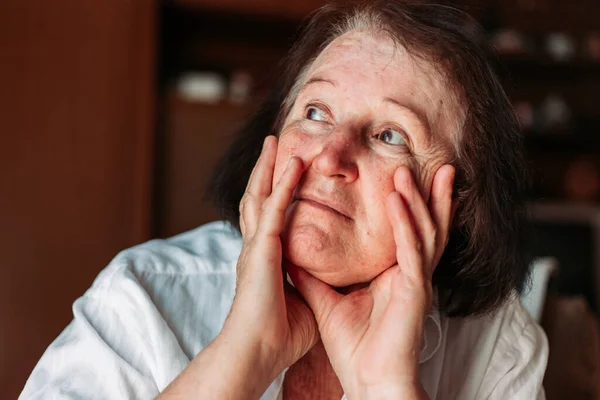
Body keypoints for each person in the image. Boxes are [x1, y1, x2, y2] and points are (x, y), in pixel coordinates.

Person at [20, 1, 548, 399]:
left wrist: (385, 386)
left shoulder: (498, 346)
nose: (329, 156)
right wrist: (241, 356)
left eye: (391, 135)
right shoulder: (142, 297)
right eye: (316, 113)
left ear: (456, 202)